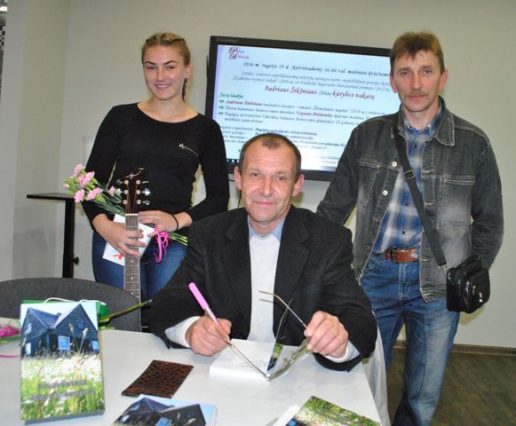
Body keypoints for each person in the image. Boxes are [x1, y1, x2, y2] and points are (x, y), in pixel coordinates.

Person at [317, 32, 503, 424]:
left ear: (443, 77)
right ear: (392, 80)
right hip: (372, 278)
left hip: (437, 288)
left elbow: (490, 222)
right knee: (355, 382)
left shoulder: (473, 144)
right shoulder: (366, 136)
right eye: (405, 72)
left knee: (422, 397)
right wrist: (319, 271)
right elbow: (332, 209)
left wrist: (467, 272)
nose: (416, 83)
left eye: (426, 71)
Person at [149, 133, 377, 371]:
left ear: (297, 184)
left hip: (297, 376)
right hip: (223, 372)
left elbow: (360, 318)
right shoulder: (209, 234)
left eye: (280, 177)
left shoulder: (328, 240)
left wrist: (339, 340)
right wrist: (191, 330)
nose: (266, 190)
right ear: (239, 178)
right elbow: (168, 303)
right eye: (255, 175)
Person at [83, 32, 229, 301]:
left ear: (187, 69)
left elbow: (219, 198)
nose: (160, 76)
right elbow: (90, 183)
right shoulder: (120, 117)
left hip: (172, 241)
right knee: (121, 314)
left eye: (170, 66)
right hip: (118, 234)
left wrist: (176, 221)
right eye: (151, 67)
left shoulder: (206, 129)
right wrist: (105, 228)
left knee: (166, 316)